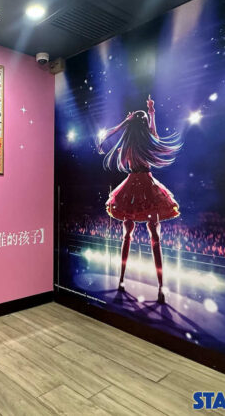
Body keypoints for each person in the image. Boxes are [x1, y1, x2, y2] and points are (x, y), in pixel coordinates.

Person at [98, 95, 182, 303]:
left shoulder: (129, 145)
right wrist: (151, 113)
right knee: (155, 238)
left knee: (128, 236)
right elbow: (153, 132)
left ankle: (122, 280)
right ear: (143, 124)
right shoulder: (146, 142)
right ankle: (160, 287)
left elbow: (116, 134)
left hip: (131, 187)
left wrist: (130, 120)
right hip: (146, 184)